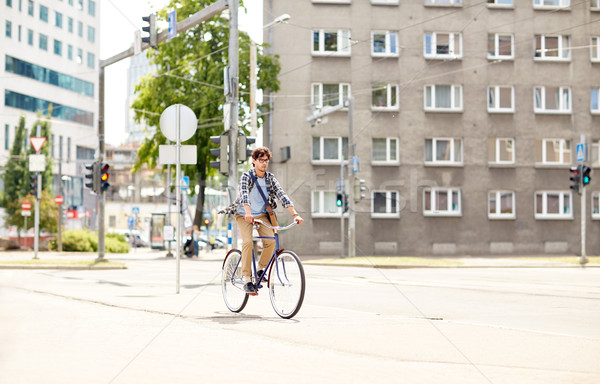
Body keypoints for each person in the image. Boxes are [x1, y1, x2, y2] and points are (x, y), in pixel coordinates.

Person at [220, 147, 303, 293]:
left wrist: (295, 214)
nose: (264, 163)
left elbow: (282, 195)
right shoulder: (247, 176)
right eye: (261, 160)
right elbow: (244, 194)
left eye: (266, 160)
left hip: (261, 214)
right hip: (243, 213)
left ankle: (260, 270)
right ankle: (246, 279)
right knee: (247, 242)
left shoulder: (270, 178)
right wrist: (247, 212)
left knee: (271, 241)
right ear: (254, 161)